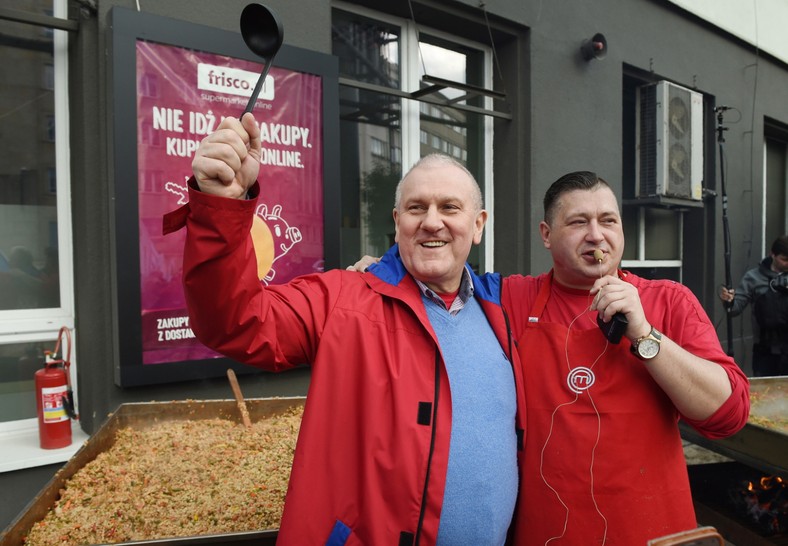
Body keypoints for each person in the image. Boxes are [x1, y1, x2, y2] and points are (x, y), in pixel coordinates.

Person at [164, 112, 527, 545]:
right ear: (397, 222)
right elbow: (235, 321)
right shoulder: (343, 300)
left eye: (450, 207)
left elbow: (577, 291)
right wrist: (221, 206)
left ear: (479, 224)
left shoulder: (504, 309)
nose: (432, 221)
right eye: (416, 208)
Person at [502, 171, 750, 545]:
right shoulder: (511, 299)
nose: (596, 235)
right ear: (546, 234)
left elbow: (728, 415)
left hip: (653, 528)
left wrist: (645, 335)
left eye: (608, 221)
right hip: (550, 530)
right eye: (578, 222)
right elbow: (440, 282)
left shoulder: (669, 300)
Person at [719, 234, 788, 376]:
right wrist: (728, 300)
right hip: (765, 352)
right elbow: (735, 309)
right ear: (772, 255)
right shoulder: (753, 277)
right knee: (764, 394)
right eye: (784, 259)